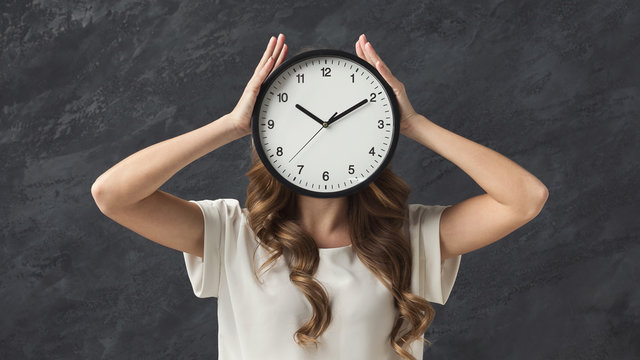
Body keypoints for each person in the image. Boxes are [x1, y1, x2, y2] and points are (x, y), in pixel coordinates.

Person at [91, 33, 549, 360]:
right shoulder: (232, 235)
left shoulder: (409, 237)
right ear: (269, 137)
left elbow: (525, 198)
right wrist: (230, 124)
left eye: (348, 122)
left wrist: (411, 123)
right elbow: (113, 194)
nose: (323, 136)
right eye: (297, 123)